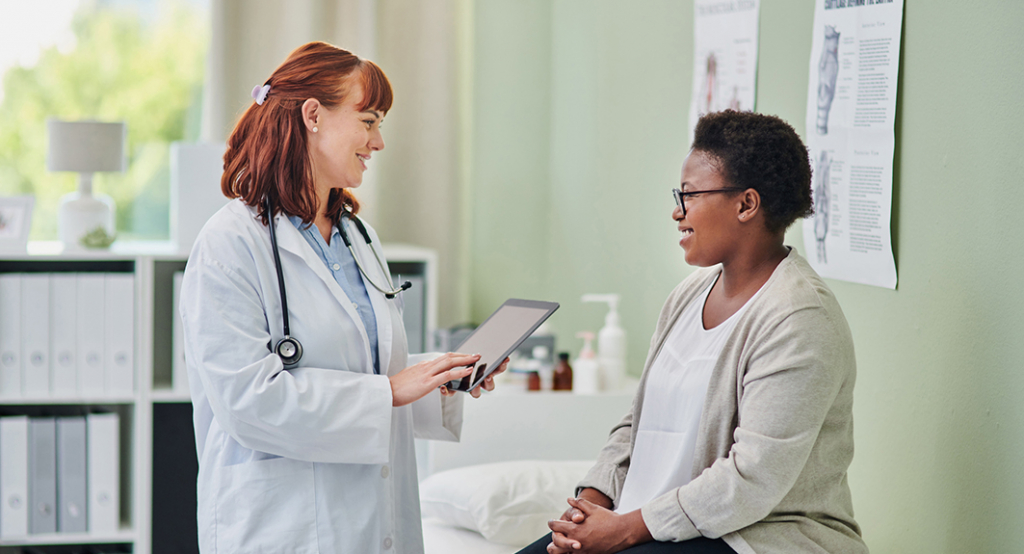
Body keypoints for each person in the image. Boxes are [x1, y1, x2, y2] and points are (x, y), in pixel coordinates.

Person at [179, 42, 503, 554]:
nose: (378, 142)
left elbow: (368, 370)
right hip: (282, 527)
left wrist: (435, 377)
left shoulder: (358, 237)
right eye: (369, 120)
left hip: (374, 521)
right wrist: (390, 392)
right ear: (313, 115)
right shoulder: (230, 243)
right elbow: (248, 401)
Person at [518, 110, 867, 554]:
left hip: (752, 537)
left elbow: (752, 479)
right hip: (655, 523)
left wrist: (624, 529)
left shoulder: (799, 317)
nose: (676, 211)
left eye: (690, 195)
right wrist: (590, 507)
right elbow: (636, 423)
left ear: (746, 204)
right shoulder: (688, 295)